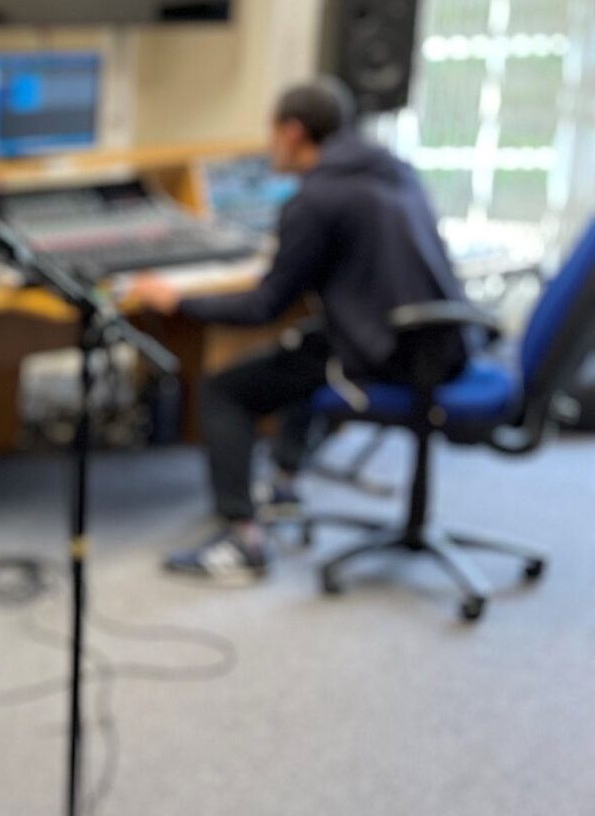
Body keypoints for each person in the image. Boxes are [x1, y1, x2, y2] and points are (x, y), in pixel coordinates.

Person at [124, 77, 469, 584]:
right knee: (304, 346)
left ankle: (243, 542)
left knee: (226, 391)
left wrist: (178, 300)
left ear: (291, 131)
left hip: (386, 356)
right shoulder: (391, 169)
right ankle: (283, 483)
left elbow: (264, 305)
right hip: (442, 342)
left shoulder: (315, 199)